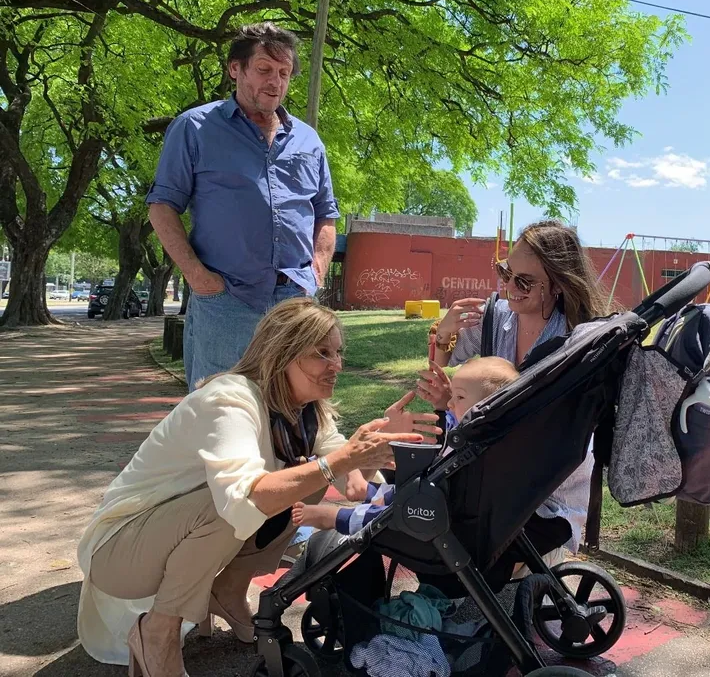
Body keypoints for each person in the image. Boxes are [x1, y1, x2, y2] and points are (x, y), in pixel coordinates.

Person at [76, 298, 440, 676]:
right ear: (282, 354)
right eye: (322, 353)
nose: (337, 365)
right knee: (244, 496)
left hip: (168, 539)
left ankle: (229, 590)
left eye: (338, 352)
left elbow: (354, 485)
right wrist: (340, 460)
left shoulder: (308, 414)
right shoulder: (230, 398)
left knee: (305, 481)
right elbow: (245, 496)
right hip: (118, 552)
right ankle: (158, 631)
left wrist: (380, 444)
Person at [146, 22, 339, 391]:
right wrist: (199, 278)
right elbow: (161, 206)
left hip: (295, 302)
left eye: (284, 73)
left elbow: (325, 214)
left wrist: (316, 271)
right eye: (264, 69)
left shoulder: (309, 140)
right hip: (227, 300)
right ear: (235, 68)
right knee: (221, 407)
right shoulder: (194, 128)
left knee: (295, 406)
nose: (275, 82)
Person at [425, 219, 609, 563]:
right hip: (490, 478)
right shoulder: (496, 317)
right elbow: (443, 358)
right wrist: (444, 332)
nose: (510, 286)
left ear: (558, 284)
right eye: (505, 272)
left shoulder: (578, 339)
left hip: (547, 490)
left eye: (524, 281)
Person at [291, 357, 519, 535]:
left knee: (385, 514)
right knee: (403, 491)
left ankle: (333, 517)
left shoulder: (477, 447)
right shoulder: (483, 437)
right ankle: (365, 490)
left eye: (459, 397)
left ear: (487, 407)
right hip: (432, 495)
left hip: (434, 513)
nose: (449, 402)